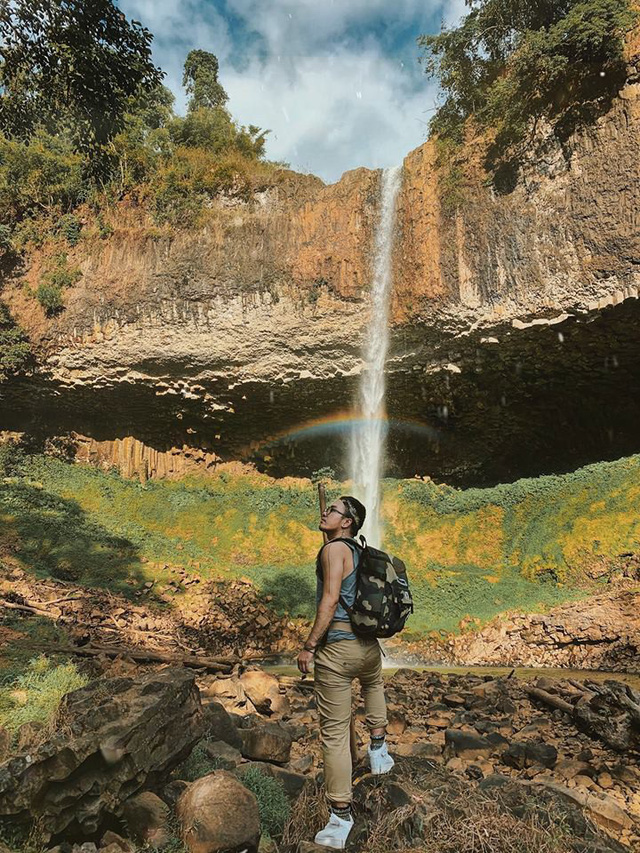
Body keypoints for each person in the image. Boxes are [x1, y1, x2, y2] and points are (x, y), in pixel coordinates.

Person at [297, 495, 394, 850]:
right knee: (373, 684)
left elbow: (330, 598)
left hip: (337, 649)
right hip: (368, 647)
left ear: (348, 521)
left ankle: (340, 817)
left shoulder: (332, 550)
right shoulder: (358, 551)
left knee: (334, 732)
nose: (325, 512)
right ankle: (379, 751)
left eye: (333, 510)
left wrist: (309, 645)